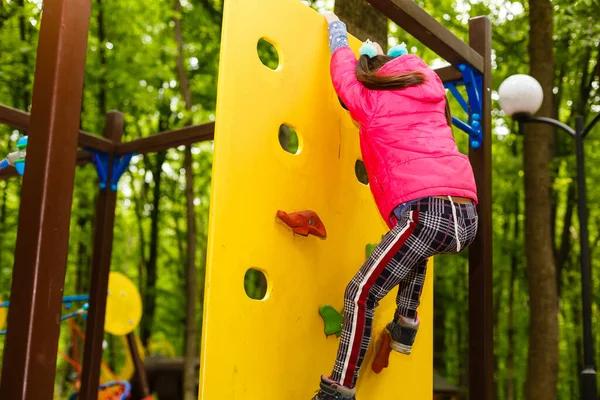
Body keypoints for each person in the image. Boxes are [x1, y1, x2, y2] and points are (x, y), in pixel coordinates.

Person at [312, 12, 479, 400]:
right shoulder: (431, 91)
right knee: (416, 248)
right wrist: (385, 57)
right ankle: (405, 324)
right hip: (466, 216)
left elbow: (343, 79)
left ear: (371, 75)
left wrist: (337, 31)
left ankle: (340, 388)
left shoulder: (369, 101)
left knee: (359, 293)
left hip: (426, 210)